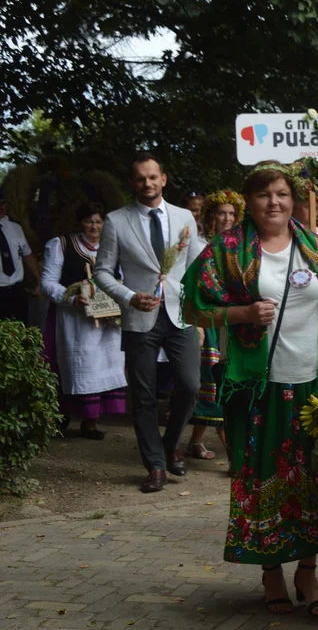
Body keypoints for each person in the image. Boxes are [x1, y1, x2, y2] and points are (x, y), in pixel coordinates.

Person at [183, 161, 318, 616]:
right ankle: (271, 572)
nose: (274, 203)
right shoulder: (227, 249)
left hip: (314, 384)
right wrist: (241, 314)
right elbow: (194, 308)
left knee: (312, 478)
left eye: (281, 194)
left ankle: (308, 571)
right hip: (258, 386)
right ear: (249, 202)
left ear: (293, 199)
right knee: (262, 477)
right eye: (264, 195)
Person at [94, 152, 205, 493]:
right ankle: (155, 465)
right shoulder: (116, 220)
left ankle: (171, 444)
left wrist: (201, 313)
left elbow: (197, 265)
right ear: (133, 182)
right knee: (142, 396)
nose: (147, 183)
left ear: (163, 179)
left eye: (152, 177)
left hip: (180, 313)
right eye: (141, 178)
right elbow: (101, 272)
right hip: (139, 316)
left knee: (190, 385)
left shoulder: (184, 216)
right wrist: (128, 296)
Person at [41, 202, 127, 439]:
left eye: (99, 222)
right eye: (89, 221)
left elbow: (122, 279)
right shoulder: (62, 245)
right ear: (80, 222)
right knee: (77, 367)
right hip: (74, 321)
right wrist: (70, 297)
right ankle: (60, 418)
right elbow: (47, 282)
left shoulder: (113, 248)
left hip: (107, 321)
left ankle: (90, 422)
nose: (94, 226)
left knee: (101, 366)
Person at [183, 189, 244, 460]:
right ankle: (233, 455)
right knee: (211, 380)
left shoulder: (237, 243)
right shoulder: (198, 243)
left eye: (232, 214)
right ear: (211, 215)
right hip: (207, 318)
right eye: (222, 213)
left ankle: (195, 441)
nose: (227, 218)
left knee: (219, 379)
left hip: (230, 317)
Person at [0, 190, 41, 323]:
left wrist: (39, 280)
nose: (1, 207)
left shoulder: (15, 227)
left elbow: (27, 255)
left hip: (17, 291)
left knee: (21, 330)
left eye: (3, 203)